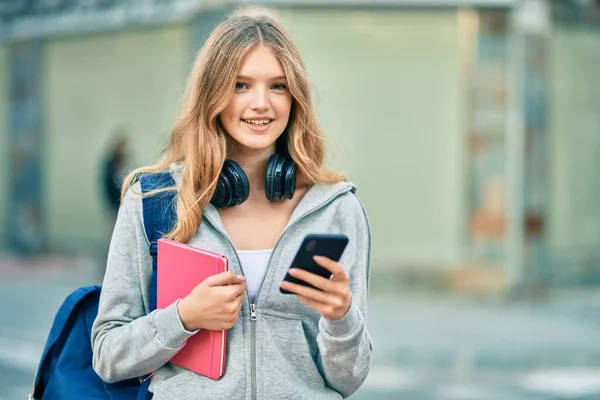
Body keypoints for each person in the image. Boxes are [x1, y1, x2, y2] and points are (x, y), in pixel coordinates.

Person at [92, 8, 373, 399]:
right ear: (213, 94)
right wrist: (184, 317)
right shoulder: (153, 200)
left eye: (277, 86)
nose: (261, 103)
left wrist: (341, 318)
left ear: (295, 97)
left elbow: (350, 378)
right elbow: (108, 355)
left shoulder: (336, 209)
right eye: (241, 85)